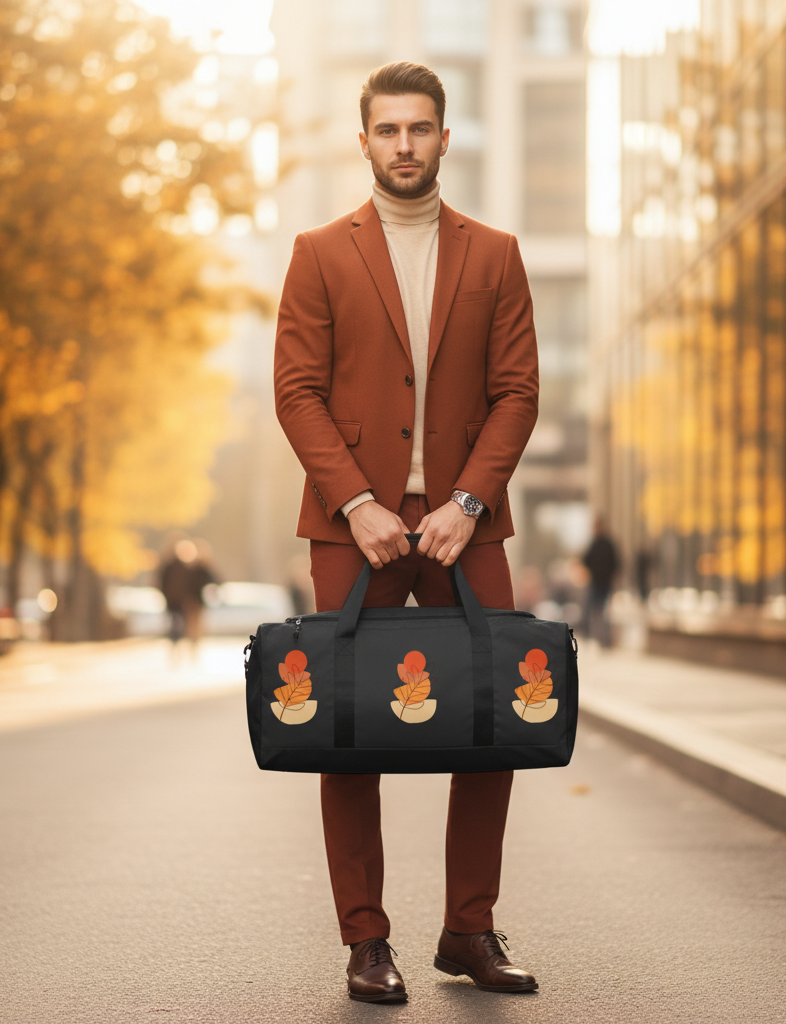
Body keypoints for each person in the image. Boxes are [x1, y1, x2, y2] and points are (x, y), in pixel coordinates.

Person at [274, 62, 540, 1003]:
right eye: (387, 131)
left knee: (499, 722)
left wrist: (466, 504)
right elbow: (296, 392)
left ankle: (469, 929)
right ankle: (366, 941)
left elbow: (517, 393)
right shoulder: (319, 252)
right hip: (356, 530)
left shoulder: (496, 253)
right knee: (348, 732)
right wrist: (359, 503)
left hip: (471, 526)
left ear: (443, 139)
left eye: (419, 129)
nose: (404, 146)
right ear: (365, 143)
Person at [581, 517, 619, 648]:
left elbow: (586, 560)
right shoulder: (604, 543)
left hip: (601, 582)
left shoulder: (599, 543)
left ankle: (600, 638)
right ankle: (600, 639)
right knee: (598, 611)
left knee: (598, 611)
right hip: (601, 582)